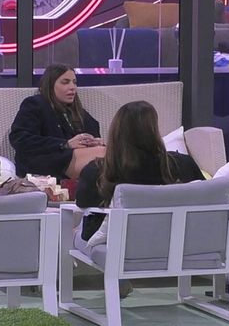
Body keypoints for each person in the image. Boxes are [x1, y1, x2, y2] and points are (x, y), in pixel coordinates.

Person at [75, 100, 204, 243]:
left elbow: (82, 203)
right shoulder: (183, 164)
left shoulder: (98, 171)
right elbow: (205, 198)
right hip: (175, 241)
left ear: (116, 133)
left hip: (117, 244)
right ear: (154, 131)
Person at [9, 63, 105, 180]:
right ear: (50, 85)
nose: (72, 87)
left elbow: (92, 131)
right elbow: (19, 139)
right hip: (44, 161)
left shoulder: (77, 111)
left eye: (74, 82)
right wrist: (64, 144)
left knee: (108, 154)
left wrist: (95, 141)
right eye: (65, 82)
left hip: (72, 160)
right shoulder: (35, 104)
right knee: (103, 155)